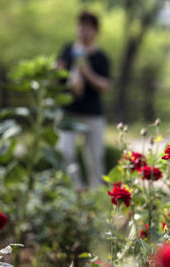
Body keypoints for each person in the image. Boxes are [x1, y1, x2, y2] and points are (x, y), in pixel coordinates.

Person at [56, 10, 110, 189]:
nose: (83, 30)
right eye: (80, 26)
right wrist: (57, 71)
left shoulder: (101, 57)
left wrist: (87, 72)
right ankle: (75, 190)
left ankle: (96, 194)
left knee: (95, 158)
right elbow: (59, 77)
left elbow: (105, 85)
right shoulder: (67, 50)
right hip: (68, 111)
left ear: (95, 31)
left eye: (88, 27)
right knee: (64, 152)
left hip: (92, 114)